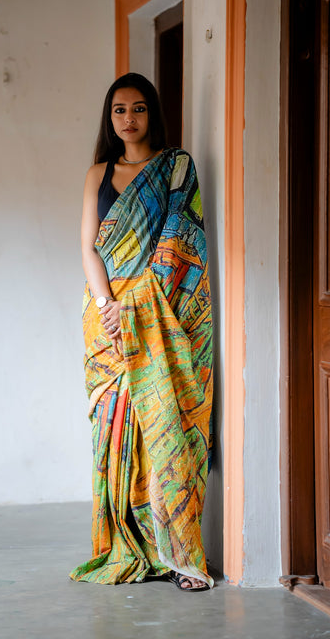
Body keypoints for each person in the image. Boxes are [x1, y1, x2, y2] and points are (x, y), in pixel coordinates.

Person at [69, 73, 213, 591]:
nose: (128, 119)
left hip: (158, 315)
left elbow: (178, 245)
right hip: (104, 319)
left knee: (166, 431)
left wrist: (133, 303)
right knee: (112, 430)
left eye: (138, 109)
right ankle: (126, 546)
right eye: (118, 111)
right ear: (109, 120)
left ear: (153, 112)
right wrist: (109, 305)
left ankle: (180, 558)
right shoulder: (97, 173)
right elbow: (88, 247)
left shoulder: (176, 169)